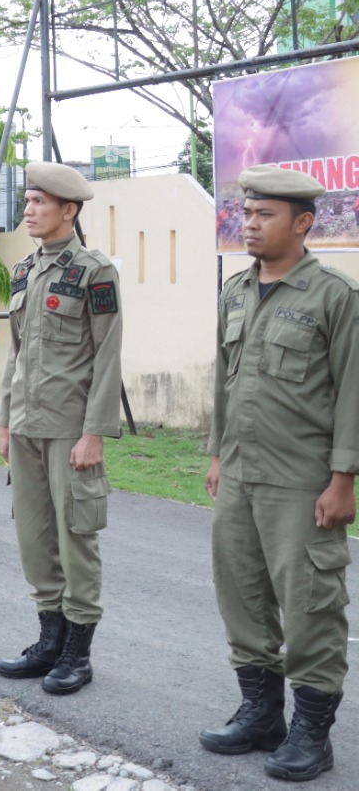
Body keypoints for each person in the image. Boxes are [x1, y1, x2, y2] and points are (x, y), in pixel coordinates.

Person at [199, 165, 359, 783]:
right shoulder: (236, 290)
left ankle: (312, 734)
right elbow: (223, 378)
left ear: (303, 223)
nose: (250, 225)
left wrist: (343, 476)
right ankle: (261, 714)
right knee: (241, 593)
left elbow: (352, 393)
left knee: (312, 603)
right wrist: (216, 452)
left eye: (264, 216)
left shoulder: (334, 297)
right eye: (246, 214)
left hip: (302, 479)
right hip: (239, 471)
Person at [0, 162, 121, 697]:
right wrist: (2, 418)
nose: (29, 210)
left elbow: (108, 357)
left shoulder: (95, 272)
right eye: (28, 201)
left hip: (71, 428)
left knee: (75, 537)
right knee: (35, 536)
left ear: (68, 210)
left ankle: (77, 653)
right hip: (24, 423)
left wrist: (96, 432)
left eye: (40, 202)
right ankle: (49, 639)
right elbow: (16, 355)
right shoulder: (23, 271)